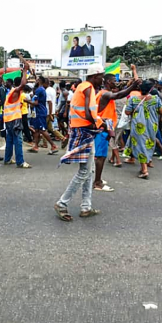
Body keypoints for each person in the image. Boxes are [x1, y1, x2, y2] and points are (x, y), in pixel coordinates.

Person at [54, 64, 105, 221]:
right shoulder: (88, 87)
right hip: (84, 131)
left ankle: (86, 207)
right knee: (84, 171)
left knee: (88, 171)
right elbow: (89, 113)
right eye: (101, 76)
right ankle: (62, 203)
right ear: (95, 76)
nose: (102, 79)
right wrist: (101, 124)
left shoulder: (82, 87)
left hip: (81, 130)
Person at [93, 73, 140, 191]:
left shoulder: (104, 93)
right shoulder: (105, 94)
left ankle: (97, 178)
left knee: (100, 156)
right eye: (114, 80)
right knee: (100, 156)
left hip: (105, 127)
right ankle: (97, 182)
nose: (116, 82)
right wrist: (132, 86)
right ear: (108, 82)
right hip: (102, 128)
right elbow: (119, 94)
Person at [124, 80, 162, 179]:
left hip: (138, 126)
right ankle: (147, 163)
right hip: (152, 125)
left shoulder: (133, 99)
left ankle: (144, 170)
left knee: (141, 145)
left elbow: (127, 112)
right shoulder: (155, 99)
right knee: (149, 143)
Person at [3, 60, 32, 169]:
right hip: (14, 120)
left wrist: (25, 72)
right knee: (18, 140)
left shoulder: (12, 92)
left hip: (9, 119)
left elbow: (23, 82)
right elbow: (23, 83)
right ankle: (20, 162)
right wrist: (25, 70)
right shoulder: (15, 92)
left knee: (10, 139)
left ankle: (7, 159)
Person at [27, 76, 59, 154]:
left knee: (42, 130)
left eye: (37, 80)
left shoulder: (39, 90)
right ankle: (35, 146)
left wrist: (27, 101)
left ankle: (53, 145)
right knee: (37, 130)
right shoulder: (41, 90)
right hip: (40, 111)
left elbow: (36, 103)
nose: (36, 81)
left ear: (40, 81)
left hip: (40, 112)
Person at [44, 78, 66, 145]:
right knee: (50, 128)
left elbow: (49, 102)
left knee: (43, 128)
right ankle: (62, 138)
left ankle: (45, 143)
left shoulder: (47, 91)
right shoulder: (52, 90)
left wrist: (50, 114)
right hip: (52, 111)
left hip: (48, 111)